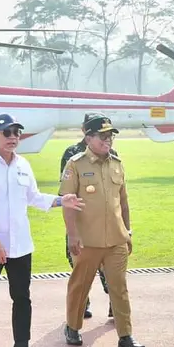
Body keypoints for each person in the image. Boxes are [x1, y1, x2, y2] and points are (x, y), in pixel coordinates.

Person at [0, 114, 85, 347]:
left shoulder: (23, 165)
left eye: (16, 133)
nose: (13, 138)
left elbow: (34, 197)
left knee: (22, 298)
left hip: (20, 246)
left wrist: (62, 200)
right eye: (7, 133)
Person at [59, 114, 145, 347]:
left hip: (116, 239)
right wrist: (72, 236)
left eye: (110, 135)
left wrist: (127, 231)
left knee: (119, 288)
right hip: (87, 240)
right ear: (88, 137)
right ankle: (73, 326)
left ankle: (125, 335)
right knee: (80, 286)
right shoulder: (75, 165)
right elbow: (68, 204)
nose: (108, 140)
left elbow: (124, 203)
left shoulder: (117, 164)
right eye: (103, 136)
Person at [59, 113, 115, 319]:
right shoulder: (72, 154)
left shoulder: (112, 153)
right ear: (85, 130)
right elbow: (67, 192)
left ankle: (113, 303)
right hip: (82, 221)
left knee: (108, 267)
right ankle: (83, 303)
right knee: (79, 265)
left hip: (106, 222)